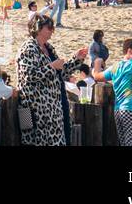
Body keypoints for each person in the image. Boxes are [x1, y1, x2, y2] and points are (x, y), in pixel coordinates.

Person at [15, 13, 86, 146]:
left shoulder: (48, 48)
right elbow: (29, 76)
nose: (52, 30)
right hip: (38, 110)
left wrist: (76, 59)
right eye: (49, 27)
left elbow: (60, 73)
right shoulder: (28, 48)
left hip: (55, 108)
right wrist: (52, 67)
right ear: (38, 29)